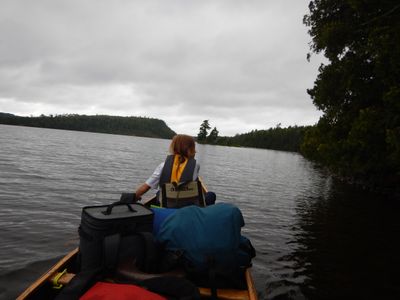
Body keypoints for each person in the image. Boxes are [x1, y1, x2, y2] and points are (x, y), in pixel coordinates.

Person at [135, 134, 216, 206]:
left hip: (167, 205)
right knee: (211, 195)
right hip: (188, 207)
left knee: (158, 193)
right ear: (190, 150)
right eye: (193, 148)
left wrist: (136, 196)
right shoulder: (196, 166)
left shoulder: (162, 166)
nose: (195, 151)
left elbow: (145, 187)